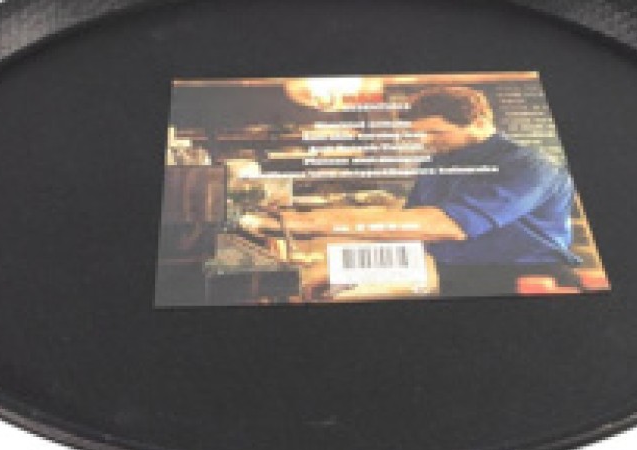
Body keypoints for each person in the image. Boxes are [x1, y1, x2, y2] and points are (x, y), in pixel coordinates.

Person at [243, 85, 579, 296]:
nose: (425, 142)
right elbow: (407, 229)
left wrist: (306, 222)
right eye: (419, 134)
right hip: (457, 278)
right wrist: (343, 268)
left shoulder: (531, 165)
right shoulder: (436, 163)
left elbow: (447, 226)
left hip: (526, 281)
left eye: (435, 133)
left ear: (479, 122)